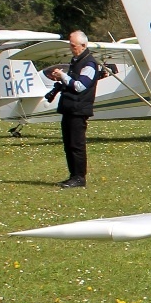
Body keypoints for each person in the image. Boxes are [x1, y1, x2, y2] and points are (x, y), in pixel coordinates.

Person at [43, 30, 101, 188]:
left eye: (73, 46)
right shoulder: (76, 61)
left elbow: (80, 86)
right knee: (68, 144)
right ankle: (72, 176)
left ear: (83, 46)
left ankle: (80, 178)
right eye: (70, 45)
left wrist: (63, 76)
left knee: (77, 145)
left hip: (79, 109)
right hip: (69, 108)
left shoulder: (89, 63)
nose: (71, 48)